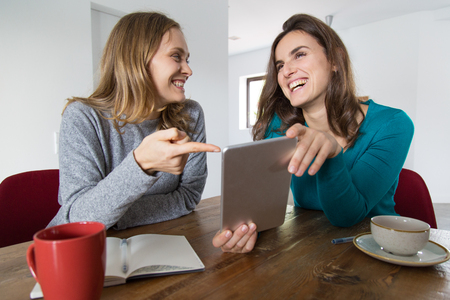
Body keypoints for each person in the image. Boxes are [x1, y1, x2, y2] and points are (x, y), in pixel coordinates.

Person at [213, 13, 413, 253]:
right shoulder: (279, 127)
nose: (286, 71)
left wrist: (330, 153)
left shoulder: (393, 124)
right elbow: (257, 203)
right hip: (306, 247)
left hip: (372, 251)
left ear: (335, 60)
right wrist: (243, 230)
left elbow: (347, 216)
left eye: (299, 55)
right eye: (279, 66)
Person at [48, 12, 220, 230]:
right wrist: (141, 163)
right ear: (136, 59)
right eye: (176, 57)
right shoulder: (82, 118)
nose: (188, 70)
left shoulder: (190, 115)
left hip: (159, 240)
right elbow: (78, 219)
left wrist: (111, 217)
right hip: (82, 251)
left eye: (187, 59)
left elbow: (188, 197)